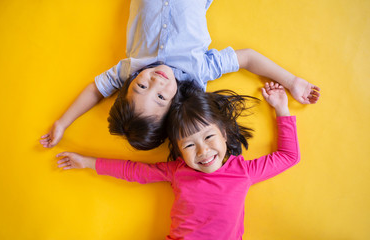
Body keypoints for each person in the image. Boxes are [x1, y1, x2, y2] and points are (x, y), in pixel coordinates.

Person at [41, 0, 319, 150]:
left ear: (129, 83)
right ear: (174, 104)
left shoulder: (130, 67)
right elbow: (245, 57)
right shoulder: (197, 71)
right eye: (160, 96)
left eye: (140, 86)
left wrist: (63, 122)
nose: (156, 80)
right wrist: (291, 81)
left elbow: (95, 90)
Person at [55, 82, 300, 239]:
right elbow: (134, 171)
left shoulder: (243, 172)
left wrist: (281, 109)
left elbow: (289, 156)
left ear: (224, 133)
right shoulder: (177, 171)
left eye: (209, 137)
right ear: (180, 151)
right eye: (190, 145)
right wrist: (88, 162)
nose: (203, 151)